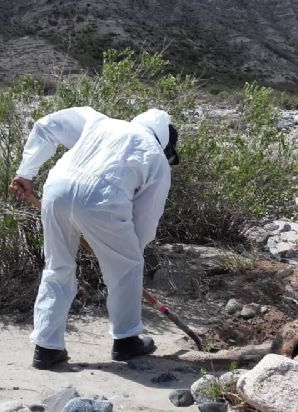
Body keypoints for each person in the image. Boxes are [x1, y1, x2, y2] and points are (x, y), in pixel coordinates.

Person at [9, 107, 179, 370]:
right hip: (103, 200)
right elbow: (145, 223)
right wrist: (122, 253)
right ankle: (126, 340)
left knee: (57, 267)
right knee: (127, 268)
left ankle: (46, 347)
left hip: (57, 190)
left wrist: (26, 172)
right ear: (164, 141)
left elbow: (47, 126)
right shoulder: (155, 155)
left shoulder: (100, 121)